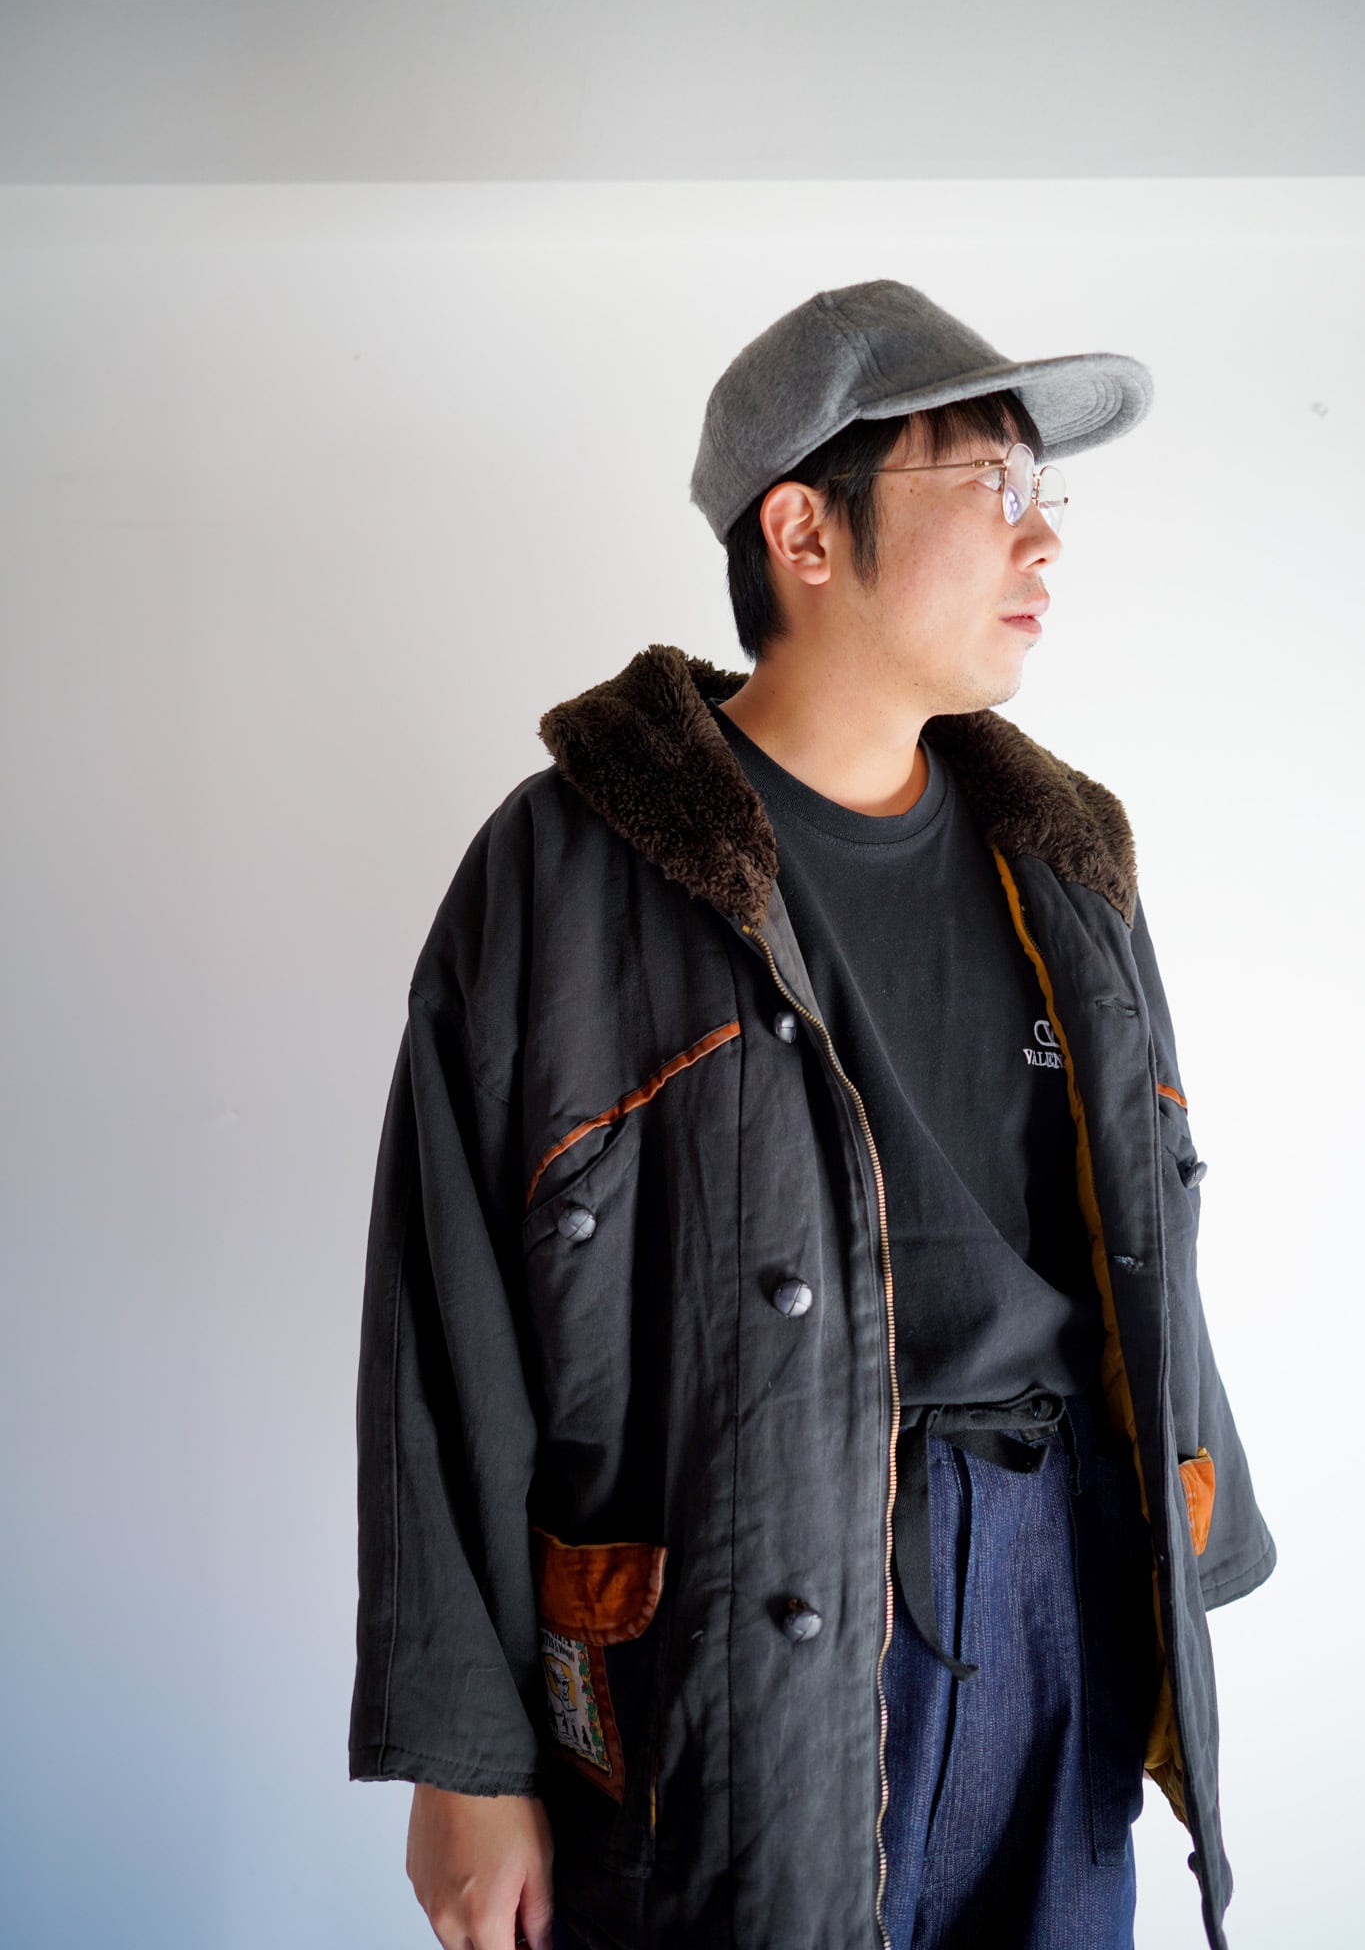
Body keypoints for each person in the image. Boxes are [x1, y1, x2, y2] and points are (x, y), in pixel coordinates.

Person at [348, 279, 1275, 1950]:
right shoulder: (568, 867)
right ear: (804, 531)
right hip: (739, 1607)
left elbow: (1151, 1234)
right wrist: (463, 1761)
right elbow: (443, 1323)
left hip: (1061, 1585)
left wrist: (1175, 1565)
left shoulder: (1067, 860)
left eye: (1044, 494)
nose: (1040, 539)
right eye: (989, 482)